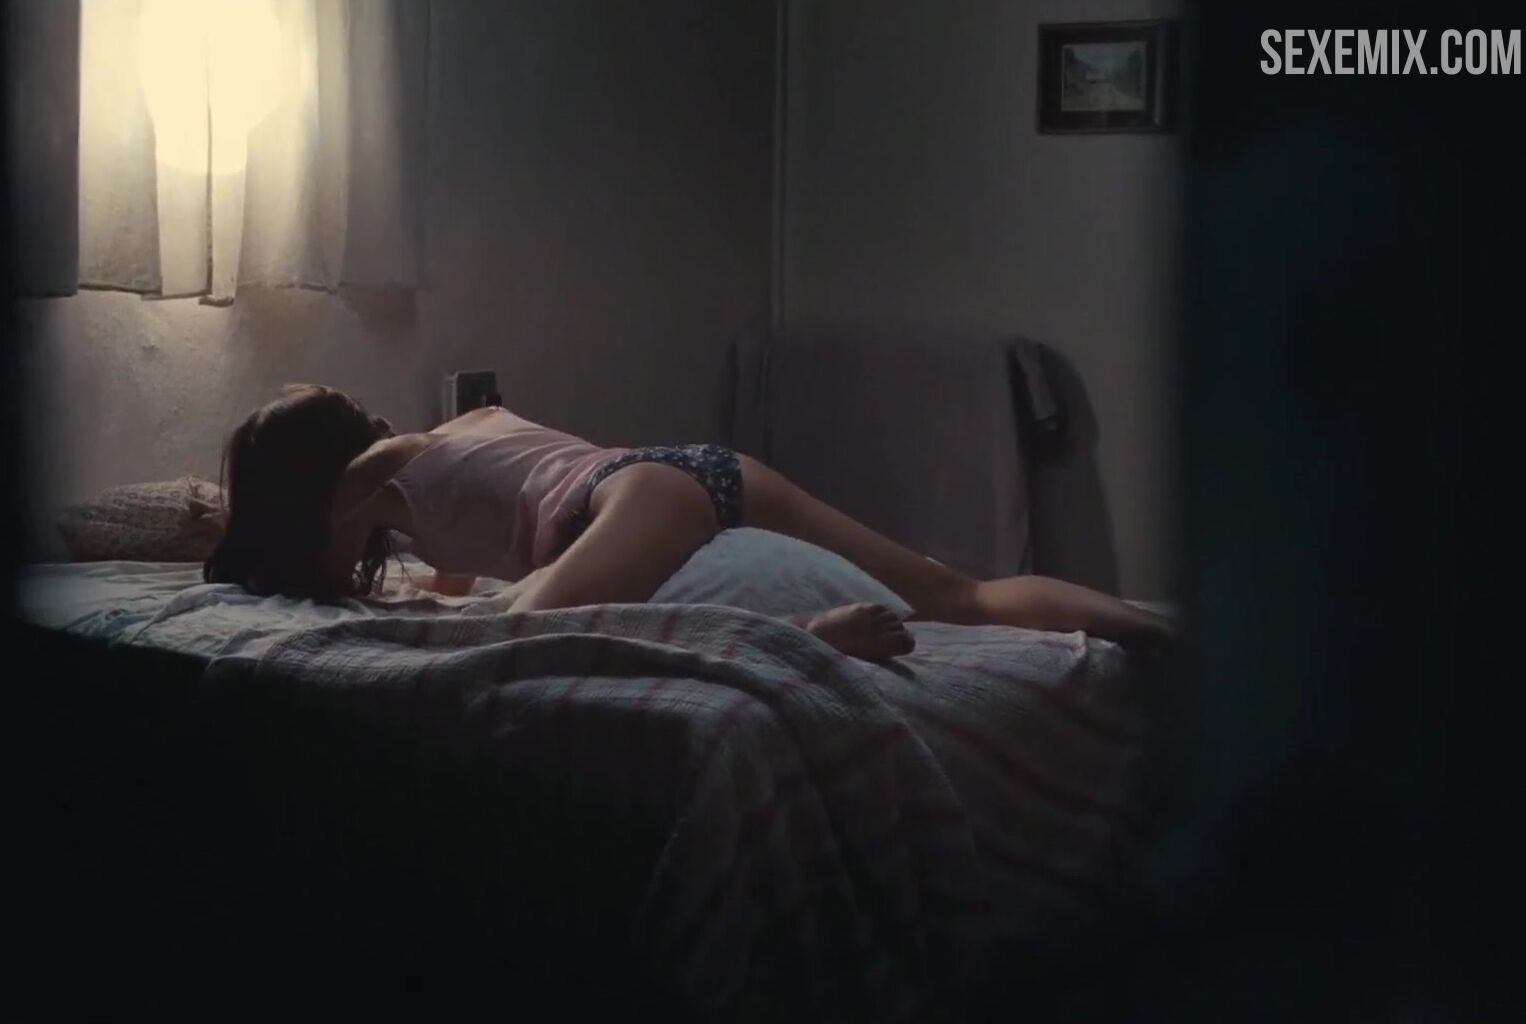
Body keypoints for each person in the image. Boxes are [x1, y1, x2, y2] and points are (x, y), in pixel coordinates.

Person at [204, 384, 1172, 660]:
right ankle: (1167, 634)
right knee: (961, 594)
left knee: (519, 639)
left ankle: (804, 636)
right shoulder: (455, 441)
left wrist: (270, 543)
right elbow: (477, 552)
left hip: (631, 496)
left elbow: (319, 558)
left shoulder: (373, 472)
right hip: (691, 472)